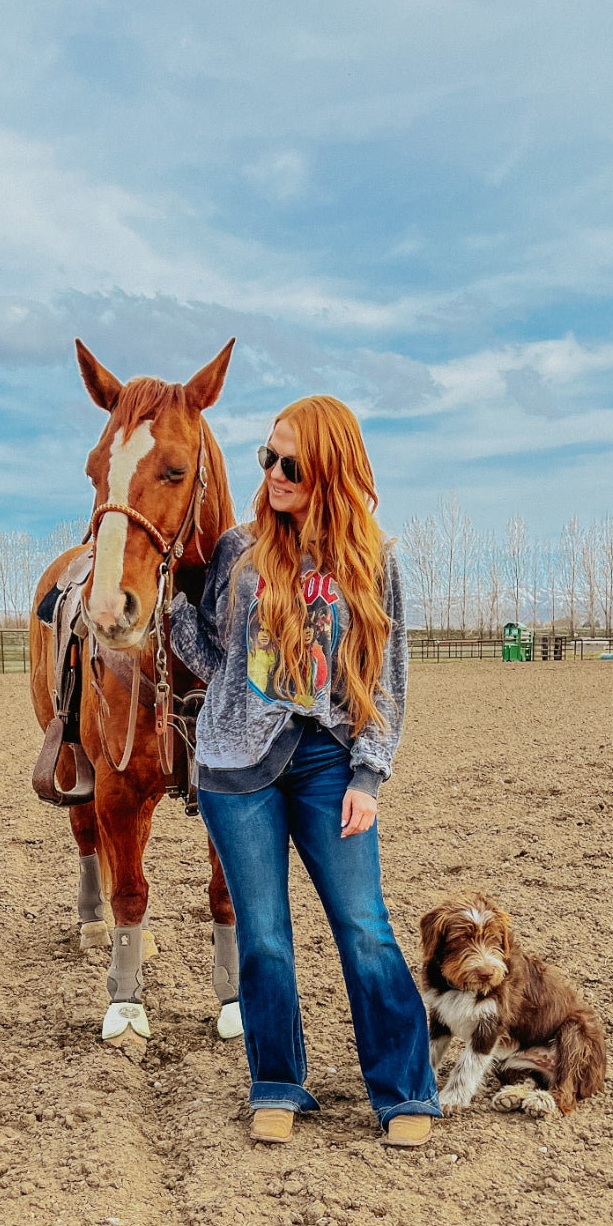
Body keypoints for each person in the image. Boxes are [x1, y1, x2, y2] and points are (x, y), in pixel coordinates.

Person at [171, 395, 440, 1147]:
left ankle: (403, 1090)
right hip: (237, 766)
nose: (276, 472)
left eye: (292, 461)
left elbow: (386, 674)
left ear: (329, 466)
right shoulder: (240, 549)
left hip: (328, 762)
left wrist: (369, 775)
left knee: (363, 926)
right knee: (263, 937)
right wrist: (168, 617)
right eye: (268, 457)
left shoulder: (374, 558)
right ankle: (278, 1081)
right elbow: (222, 662)